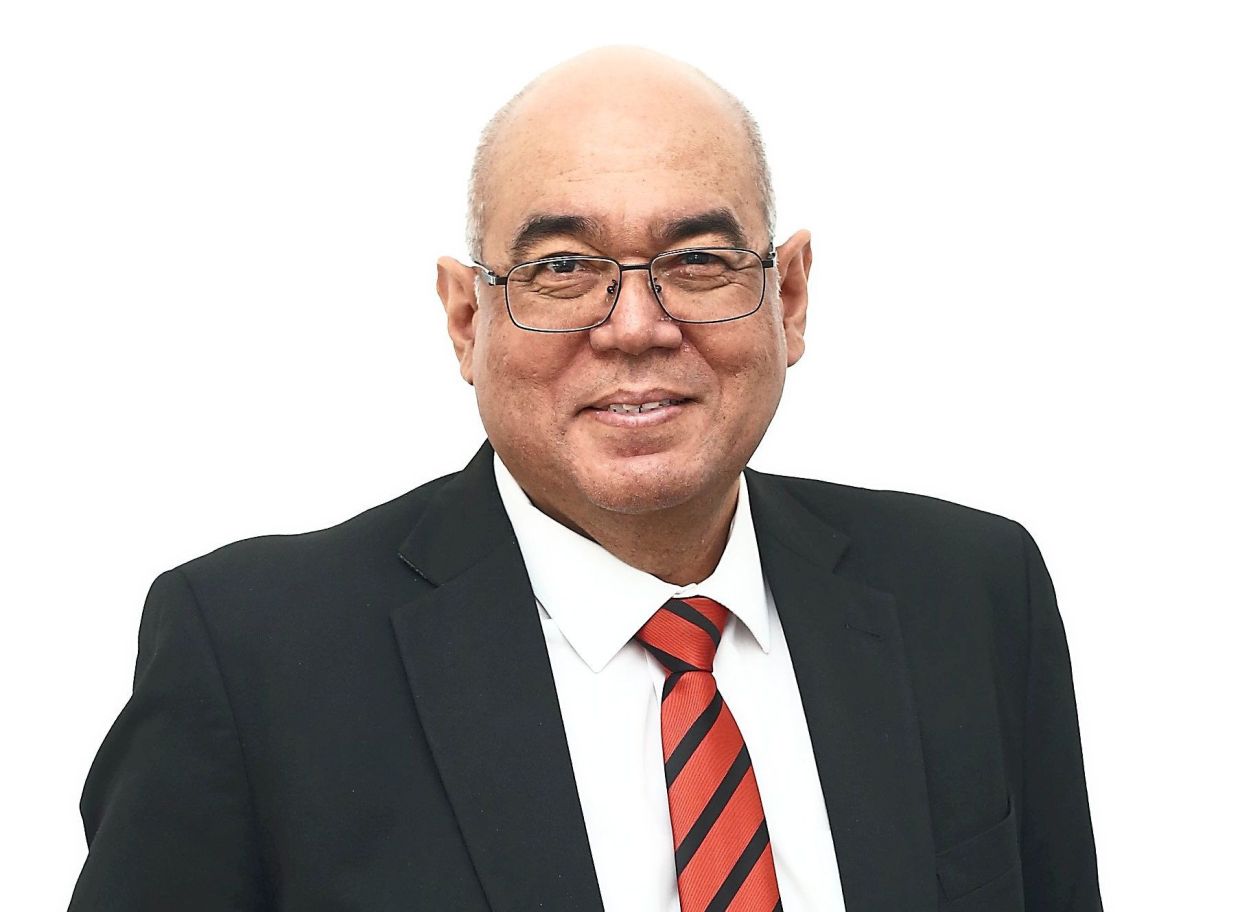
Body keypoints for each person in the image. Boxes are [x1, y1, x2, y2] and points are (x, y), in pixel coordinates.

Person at [69, 46, 1102, 912]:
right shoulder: (253, 657)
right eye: (562, 269)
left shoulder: (971, 593)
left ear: (787, 296)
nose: (637, 327)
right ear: (466, 319)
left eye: (697, 260)